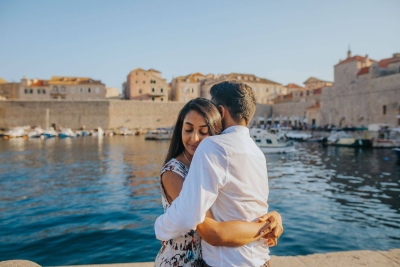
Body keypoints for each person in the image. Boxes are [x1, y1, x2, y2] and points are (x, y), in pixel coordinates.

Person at [155, 82, 283, 266]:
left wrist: (160, 227)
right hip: (260, 260)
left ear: (220, 113)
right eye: (188, 129)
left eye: (204, 130)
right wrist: (268, 225)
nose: (195, 138)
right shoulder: (257, 153)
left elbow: (207, 227)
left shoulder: (214, 147)